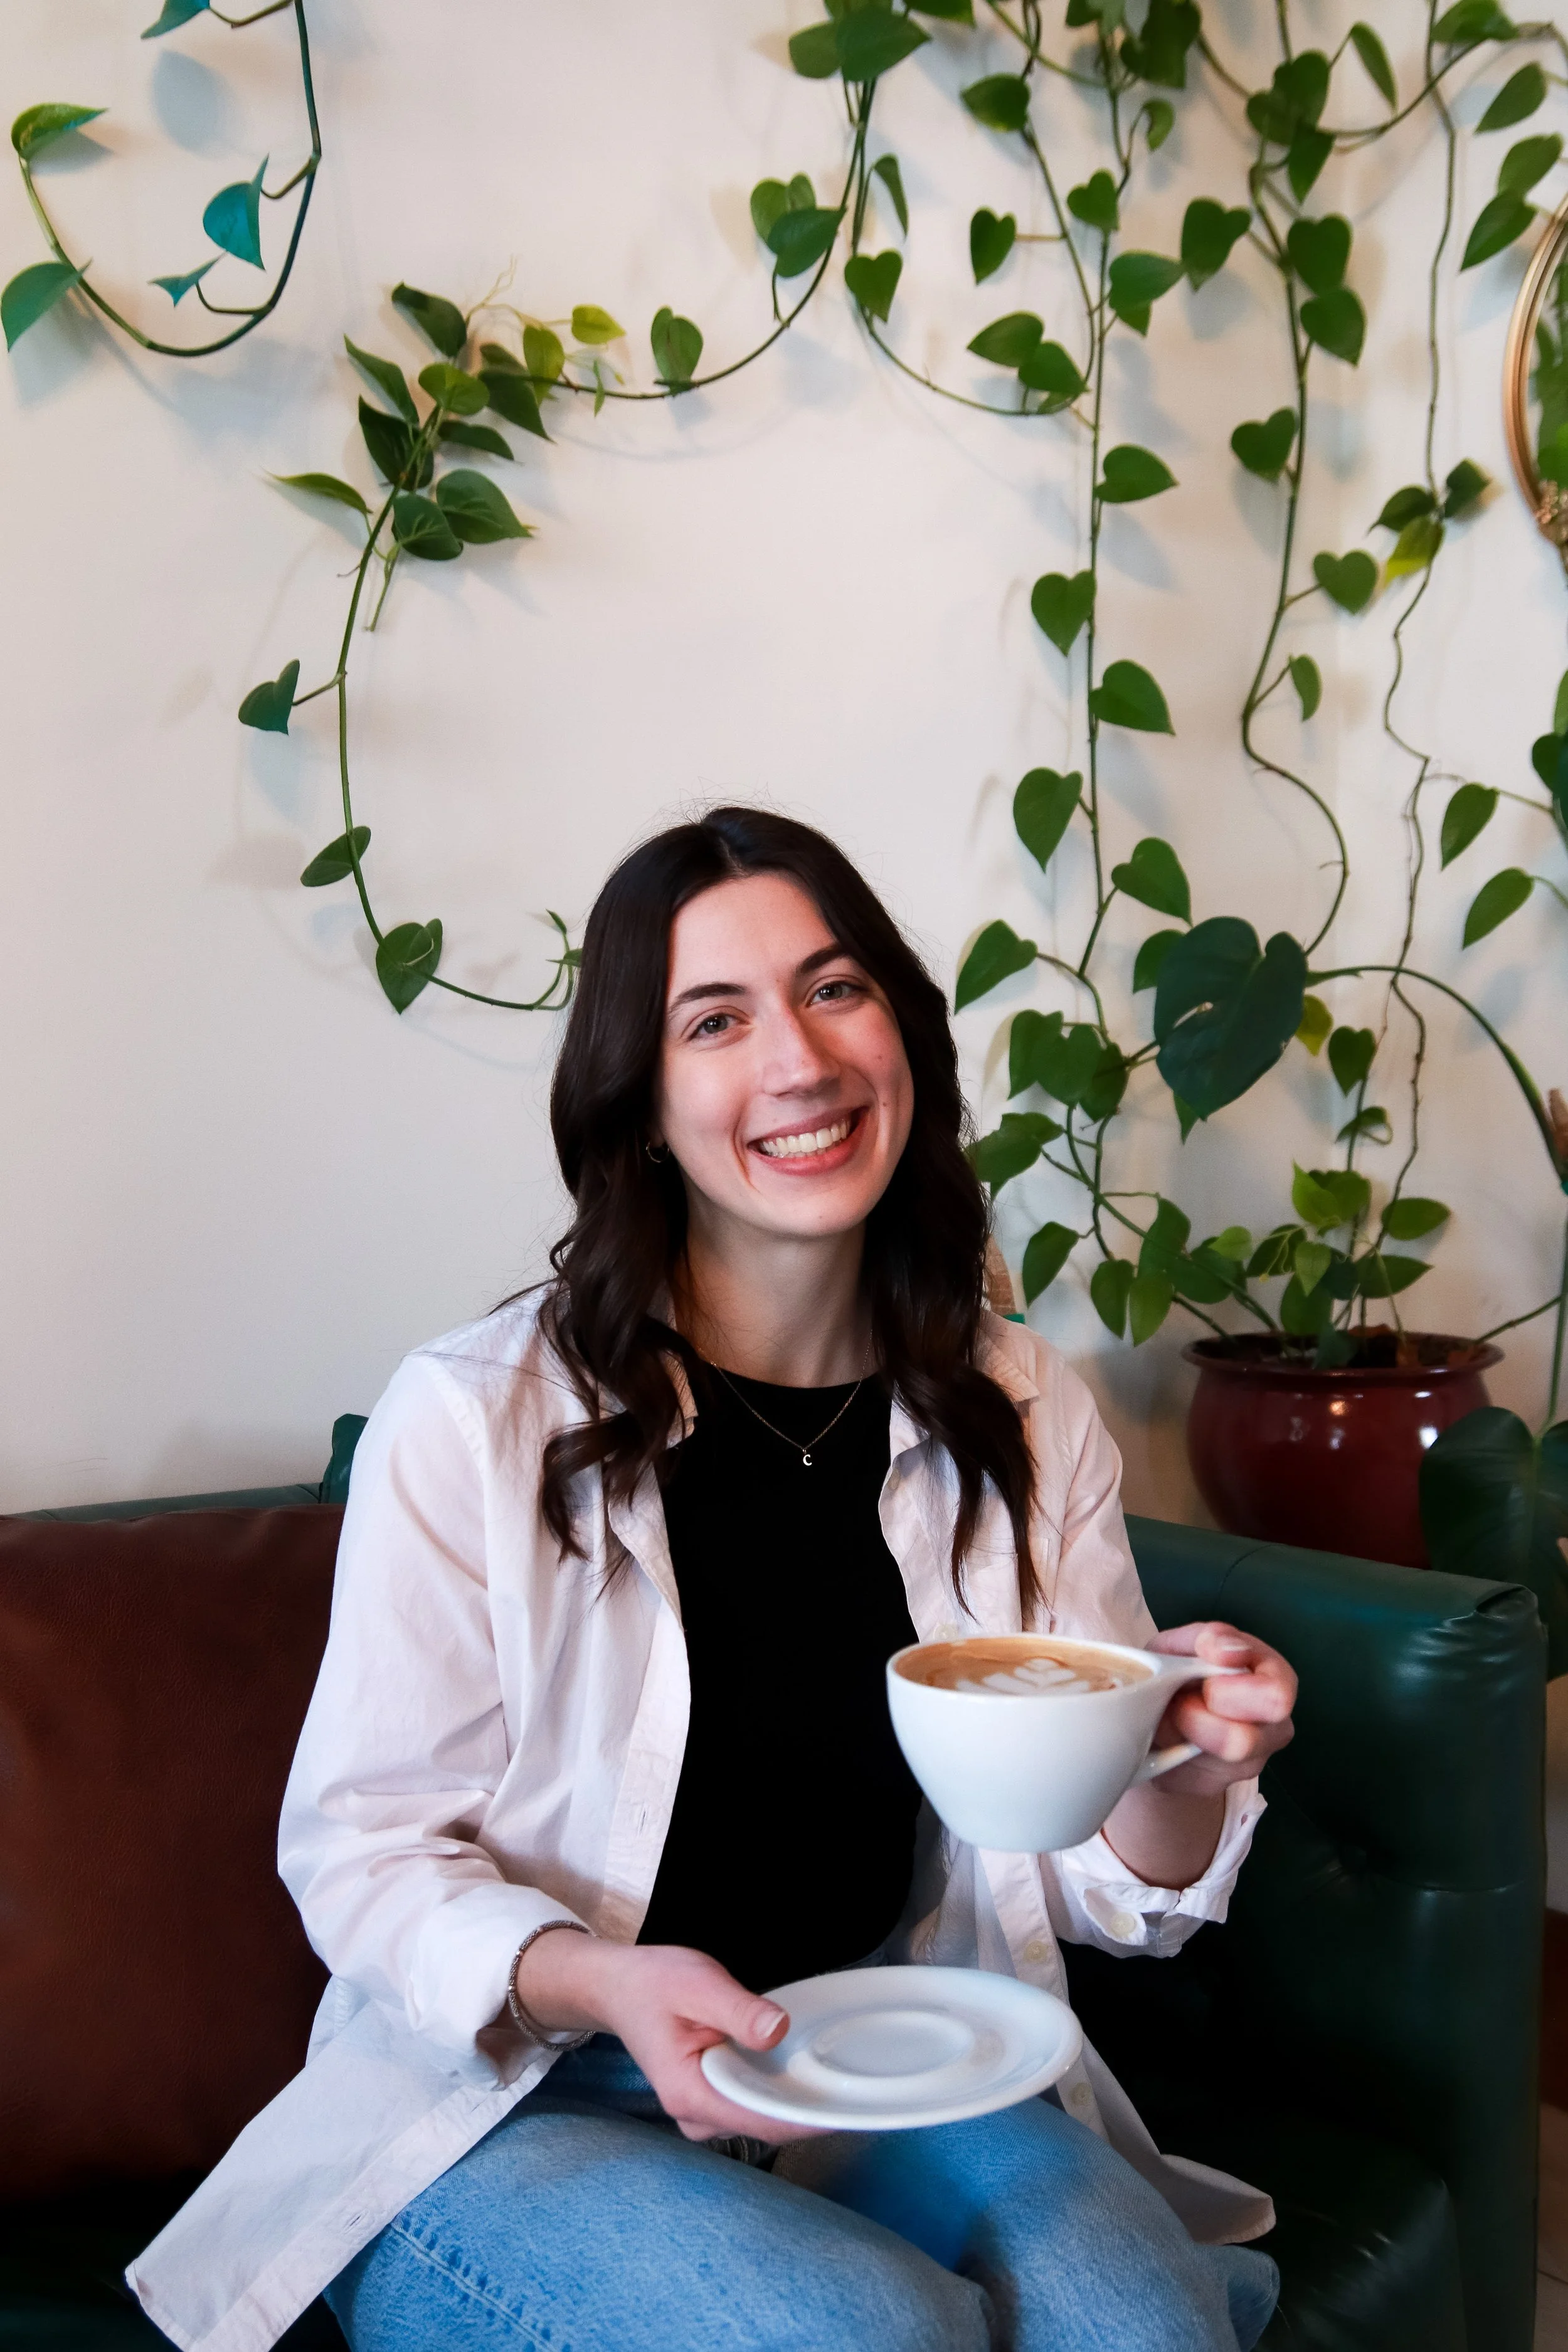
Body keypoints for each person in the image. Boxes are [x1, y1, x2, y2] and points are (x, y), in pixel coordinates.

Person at [129, 807, 1296, 2352]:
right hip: (516, 2100)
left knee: (1143, 2324)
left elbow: (1089, 1871)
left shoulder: (1017, 1406)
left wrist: (1186, 1768)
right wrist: (600, 1983)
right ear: (641, 1105)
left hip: (870, 2058)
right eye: (714, 1020)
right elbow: (360, 1852)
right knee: (858, 2332)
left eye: (834, 990)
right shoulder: (473, 1416)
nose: (799, 1064)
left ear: (902, 1035)